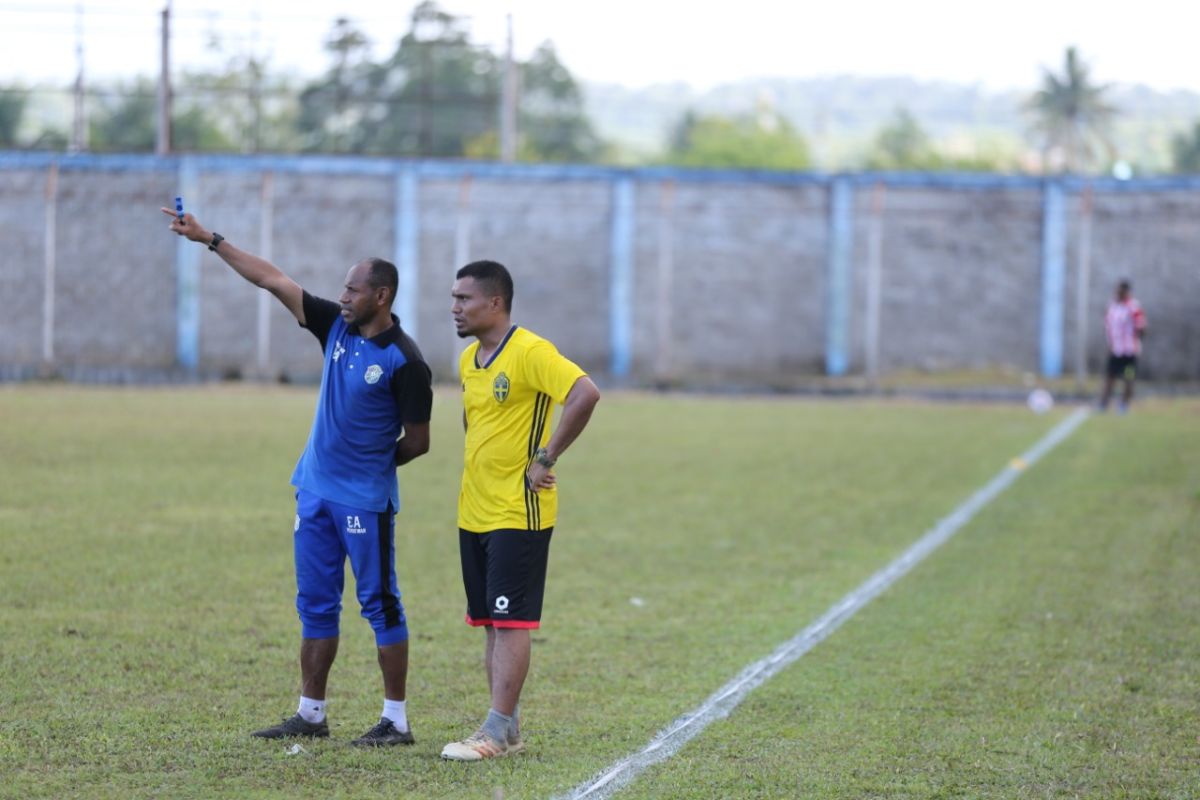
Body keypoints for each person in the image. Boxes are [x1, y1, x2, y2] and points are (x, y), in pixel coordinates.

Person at [161, 207, 433, 747]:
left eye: (354, 290)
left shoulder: (406, 361)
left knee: (380, 603)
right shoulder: (334, 325)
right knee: (314, 603)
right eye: (343, 289)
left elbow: (419, 442)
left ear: (381, 296)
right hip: (313, 493)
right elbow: (271, 278)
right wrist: (210, 239)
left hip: (364, 501)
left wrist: (370, 465)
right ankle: (311, 713)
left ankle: (395, 721)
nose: (344, 296)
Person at [441, 260, 600, 761]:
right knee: (490, 621)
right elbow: (474, 426)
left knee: (511, 623)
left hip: (519, 510)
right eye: (453, 298)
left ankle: (493, 732)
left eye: (464, 299)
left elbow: (584, 393)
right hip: (475, 510)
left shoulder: (531, 351)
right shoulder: (469, 360)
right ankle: (506, 728)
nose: (454, 308)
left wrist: (545, 458)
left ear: (495, 303)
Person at [1099, 279, 1147, 413]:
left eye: (1121, 290)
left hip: (1129, 353)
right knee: (1109, 377)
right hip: (1115, 351)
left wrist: (1134, 342)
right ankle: (1103, 404)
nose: (1118, 293)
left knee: (1128, 378)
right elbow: (1108, 326)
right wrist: (1111, 343)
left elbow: (1141, 327)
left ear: (1126, 291)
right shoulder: (1113, 306)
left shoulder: (1133, 307)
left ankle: (1124, 405)